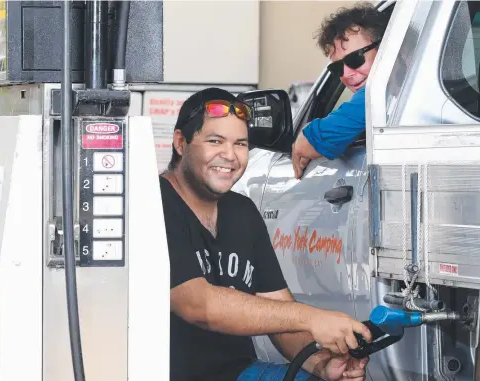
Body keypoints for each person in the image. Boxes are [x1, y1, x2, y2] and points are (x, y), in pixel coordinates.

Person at [159, 87, 372, 381]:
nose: (230, 156)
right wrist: (313, 318)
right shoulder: (155, 205)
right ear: (181, 143)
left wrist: (321, 363)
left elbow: (279, 315)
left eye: (240, 144)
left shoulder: (242, 211)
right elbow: (198, 305)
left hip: (237, 373)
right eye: (214, 141)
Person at [291, 2, 389, 179]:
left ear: (387, 49)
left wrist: (308, 132)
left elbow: (308, 145)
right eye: (337, 68)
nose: (346, 74)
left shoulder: (383, 94)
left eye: (355, 59)